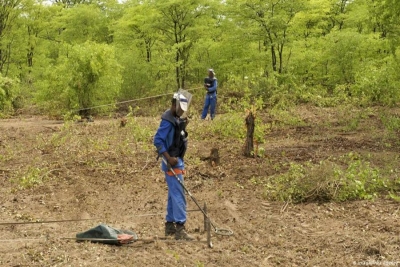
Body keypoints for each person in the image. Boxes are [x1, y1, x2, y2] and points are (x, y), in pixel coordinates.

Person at [153, 92, 194, 240]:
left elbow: (176, 136)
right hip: (172, 162)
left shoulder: (174, 118)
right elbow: (157, 140)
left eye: (184, 110)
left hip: (176, 160)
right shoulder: (167, 121)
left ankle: (169, 225)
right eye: (180, 110)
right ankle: (180, 229)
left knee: (173, 194)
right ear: (174, 105)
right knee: (178, 195)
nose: (182, 112)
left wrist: (183, 125)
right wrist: (168, 158)